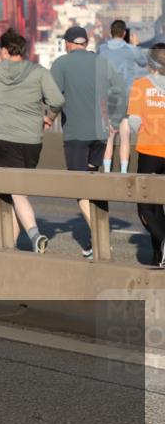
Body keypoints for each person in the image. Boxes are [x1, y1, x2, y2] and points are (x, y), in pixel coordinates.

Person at [0, 29, 64, 254]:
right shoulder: (39, 72)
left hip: (4, 139)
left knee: (16, 192)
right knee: (15, 191)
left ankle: (33, 233)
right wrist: (49, 118)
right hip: (32, 140)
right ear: (23, 49)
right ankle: (6, 246)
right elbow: (57, 99)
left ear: (2, 50)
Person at [51, 26, 124, 259]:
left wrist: (48, 116)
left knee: (79, 187)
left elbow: (54, 97)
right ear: (86, 42)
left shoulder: (61, 64)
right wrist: (113, 118)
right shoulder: (101, 62)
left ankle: (100, 237)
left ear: (69, 43)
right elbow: (121, 89)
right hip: (100, 134)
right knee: (92, 183)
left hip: (75, 135)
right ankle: (94, 241)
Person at [126, 43, 165, 266]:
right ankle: (159, 255)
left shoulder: (140, 85)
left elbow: (133, 123)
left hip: (150, 151)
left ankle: (163, 243)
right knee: (159, 206)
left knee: (146, 206)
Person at [99, 20, 147, 173]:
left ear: (110, 33)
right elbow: (143, 62)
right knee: (125, 136)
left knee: (109, 137)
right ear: (124, 33)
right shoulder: (130, 49)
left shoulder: (102, 48)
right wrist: (136, 45)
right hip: (126, 97)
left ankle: (107, 172)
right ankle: (124, 172)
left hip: (108, 97)